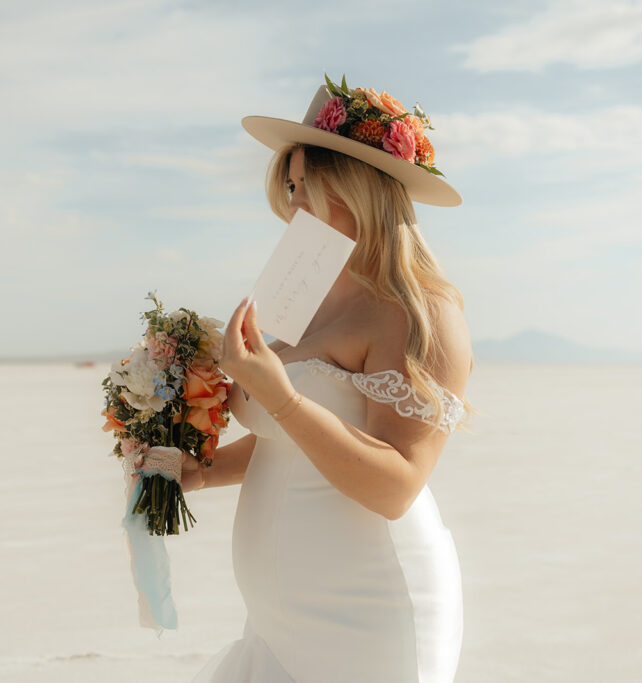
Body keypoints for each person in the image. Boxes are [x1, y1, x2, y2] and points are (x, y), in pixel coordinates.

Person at [181, 78, 476, 683]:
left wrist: (280, 396)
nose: (293, 206)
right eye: (287, 188)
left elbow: (397, 484)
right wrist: (202, 471)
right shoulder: (302, 299)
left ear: (357, 185)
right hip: (278, 622)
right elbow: (288, 445)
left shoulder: (422, 311)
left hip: (369, 614)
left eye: (304, 185)